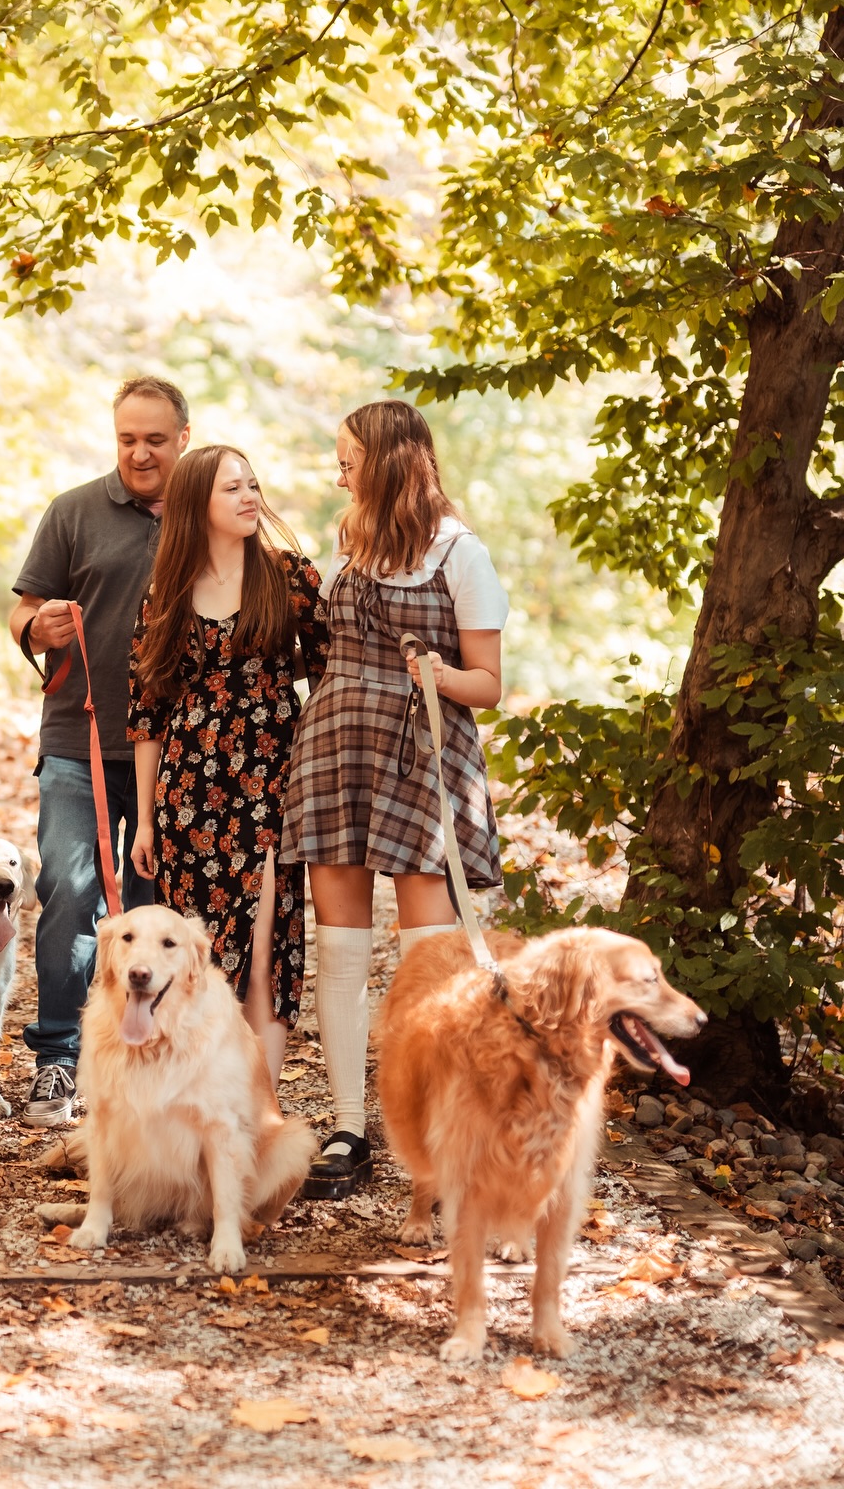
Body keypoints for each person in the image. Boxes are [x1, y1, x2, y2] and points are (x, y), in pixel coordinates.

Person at [280, 400, 508, 1198]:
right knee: (339, 950)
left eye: (347, 457)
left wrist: (437, 673)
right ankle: (348, 1128)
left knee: (426, 961)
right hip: (337, 745)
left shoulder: (459, 551)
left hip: (420, 753)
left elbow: (490, 684)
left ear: (387, 460)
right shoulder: (350, 539)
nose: (336, 469)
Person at [8, 377, 190, 1126]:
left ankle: (151, 1060)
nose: (139, 452)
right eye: (127, 439)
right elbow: (23, 606)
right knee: (72, 896)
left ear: (183, 437)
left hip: (179, 749)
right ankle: (57, 1060)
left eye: (154, 438)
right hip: (78, 739)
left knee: (155, 907)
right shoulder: (74, 512)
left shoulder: (207, 510)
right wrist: (34, 629)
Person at [127, 445, 329, 1084]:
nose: (249, 498)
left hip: (271, 777)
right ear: (196, 505)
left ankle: (260, 1107)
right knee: (197, 954)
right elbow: (148, 711)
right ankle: (198, 1097)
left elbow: (328, 680)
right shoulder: (166, 592)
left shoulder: (291, 576)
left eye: (252, 485)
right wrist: (145, 823)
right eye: (231, 489)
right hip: (188, 788)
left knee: (268, 941)